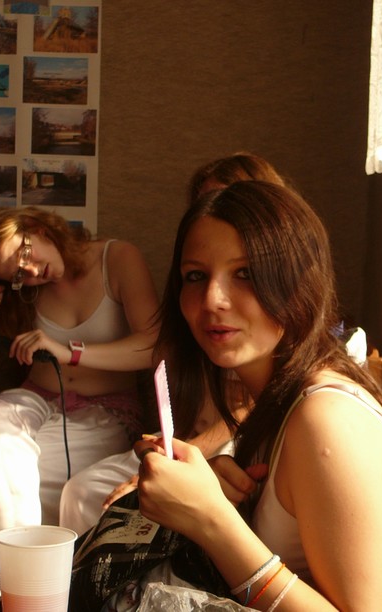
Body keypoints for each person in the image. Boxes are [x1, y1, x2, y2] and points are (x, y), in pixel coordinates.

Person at [134, 180, 382, 610]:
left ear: (298, 281)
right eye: (195, 276)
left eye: (245, 273)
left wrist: (212, 521)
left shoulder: (326, 420)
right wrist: (216, 492)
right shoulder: (281, 399)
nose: (212, 299)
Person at [58, 152, 291, 535]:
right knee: (83, 492)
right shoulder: (192, 300)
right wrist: (160, 445)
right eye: (206, 204)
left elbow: (249, 408)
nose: (217, 215)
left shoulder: (266, 313)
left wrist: (183, 456)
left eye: (233, 202)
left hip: (233, 445)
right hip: (186, 438)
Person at [0, 206, 160, 612]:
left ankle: (24, 591)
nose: (30, 273)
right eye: (17, 275)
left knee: (22, 469)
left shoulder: (117, 258)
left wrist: (70, 352)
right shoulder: (26, 289)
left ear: (38, 227)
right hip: (36, 397)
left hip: (105, 410)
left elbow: (153, 346)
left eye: (24, 255)